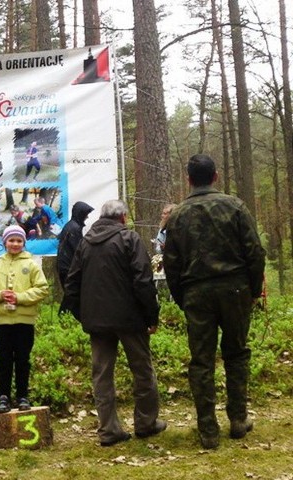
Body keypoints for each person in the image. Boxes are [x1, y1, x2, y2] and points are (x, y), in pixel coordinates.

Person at [163, 154, 265, 450]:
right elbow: (254, 251)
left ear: (189, 179)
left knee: (202, 361)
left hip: (197, 293)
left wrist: (183, 297)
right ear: (216, 176)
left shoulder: (178, 215)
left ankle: (208, 430)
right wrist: (253, 290)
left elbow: (171, 263)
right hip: (235, 289)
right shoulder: (235, 206)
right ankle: (237, 419)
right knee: (236, 354)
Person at [63, 199, 166, 447]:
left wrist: (83, 315)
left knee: (102, 376)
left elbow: (71, 283)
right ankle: (146, 423)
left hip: (97, 322)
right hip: (131, 320)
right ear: (122, 217)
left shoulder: (85, 244)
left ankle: (109, 430)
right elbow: (143, 281)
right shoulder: (130, 239)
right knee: (142, 371)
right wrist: (151, 316)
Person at [0, 226, 49, 413]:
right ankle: (3, 397)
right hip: (3, 322)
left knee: (22, 359)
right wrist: (0, 294)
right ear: (5, 243)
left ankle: (22, 396)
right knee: (4, 359)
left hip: (25, 321)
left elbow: (42, 289)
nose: (15, 244)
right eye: (11, 240)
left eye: (19, 241)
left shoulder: (32, 264)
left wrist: (19, 298)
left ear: (24, 243)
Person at [56, 201, 94, 286]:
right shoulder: (74, 228)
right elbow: (78, 250)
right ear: (80, 214)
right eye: (85, 214)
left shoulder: (71, 226)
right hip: (68, 268)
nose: (87, 217)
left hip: (65, 267)